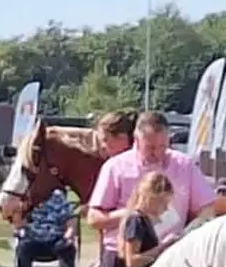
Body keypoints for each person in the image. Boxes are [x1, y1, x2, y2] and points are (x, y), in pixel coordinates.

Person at [86, 110, 216, 257]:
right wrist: (136, 215)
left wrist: (188, 233)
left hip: (170, 255)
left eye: (163, 146)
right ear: (136, 139)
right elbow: (94, 219)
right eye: (150, 147)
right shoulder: (115, 167)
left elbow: (207, 209)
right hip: (122, 257)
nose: (157, 153)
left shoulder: (184, 165)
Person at [112, 171, 175, 267]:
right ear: (151, 197)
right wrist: (162, 248)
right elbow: (132, 261)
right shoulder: (136, 220)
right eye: (164, 203)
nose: (166, 208)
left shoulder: (144, 220)